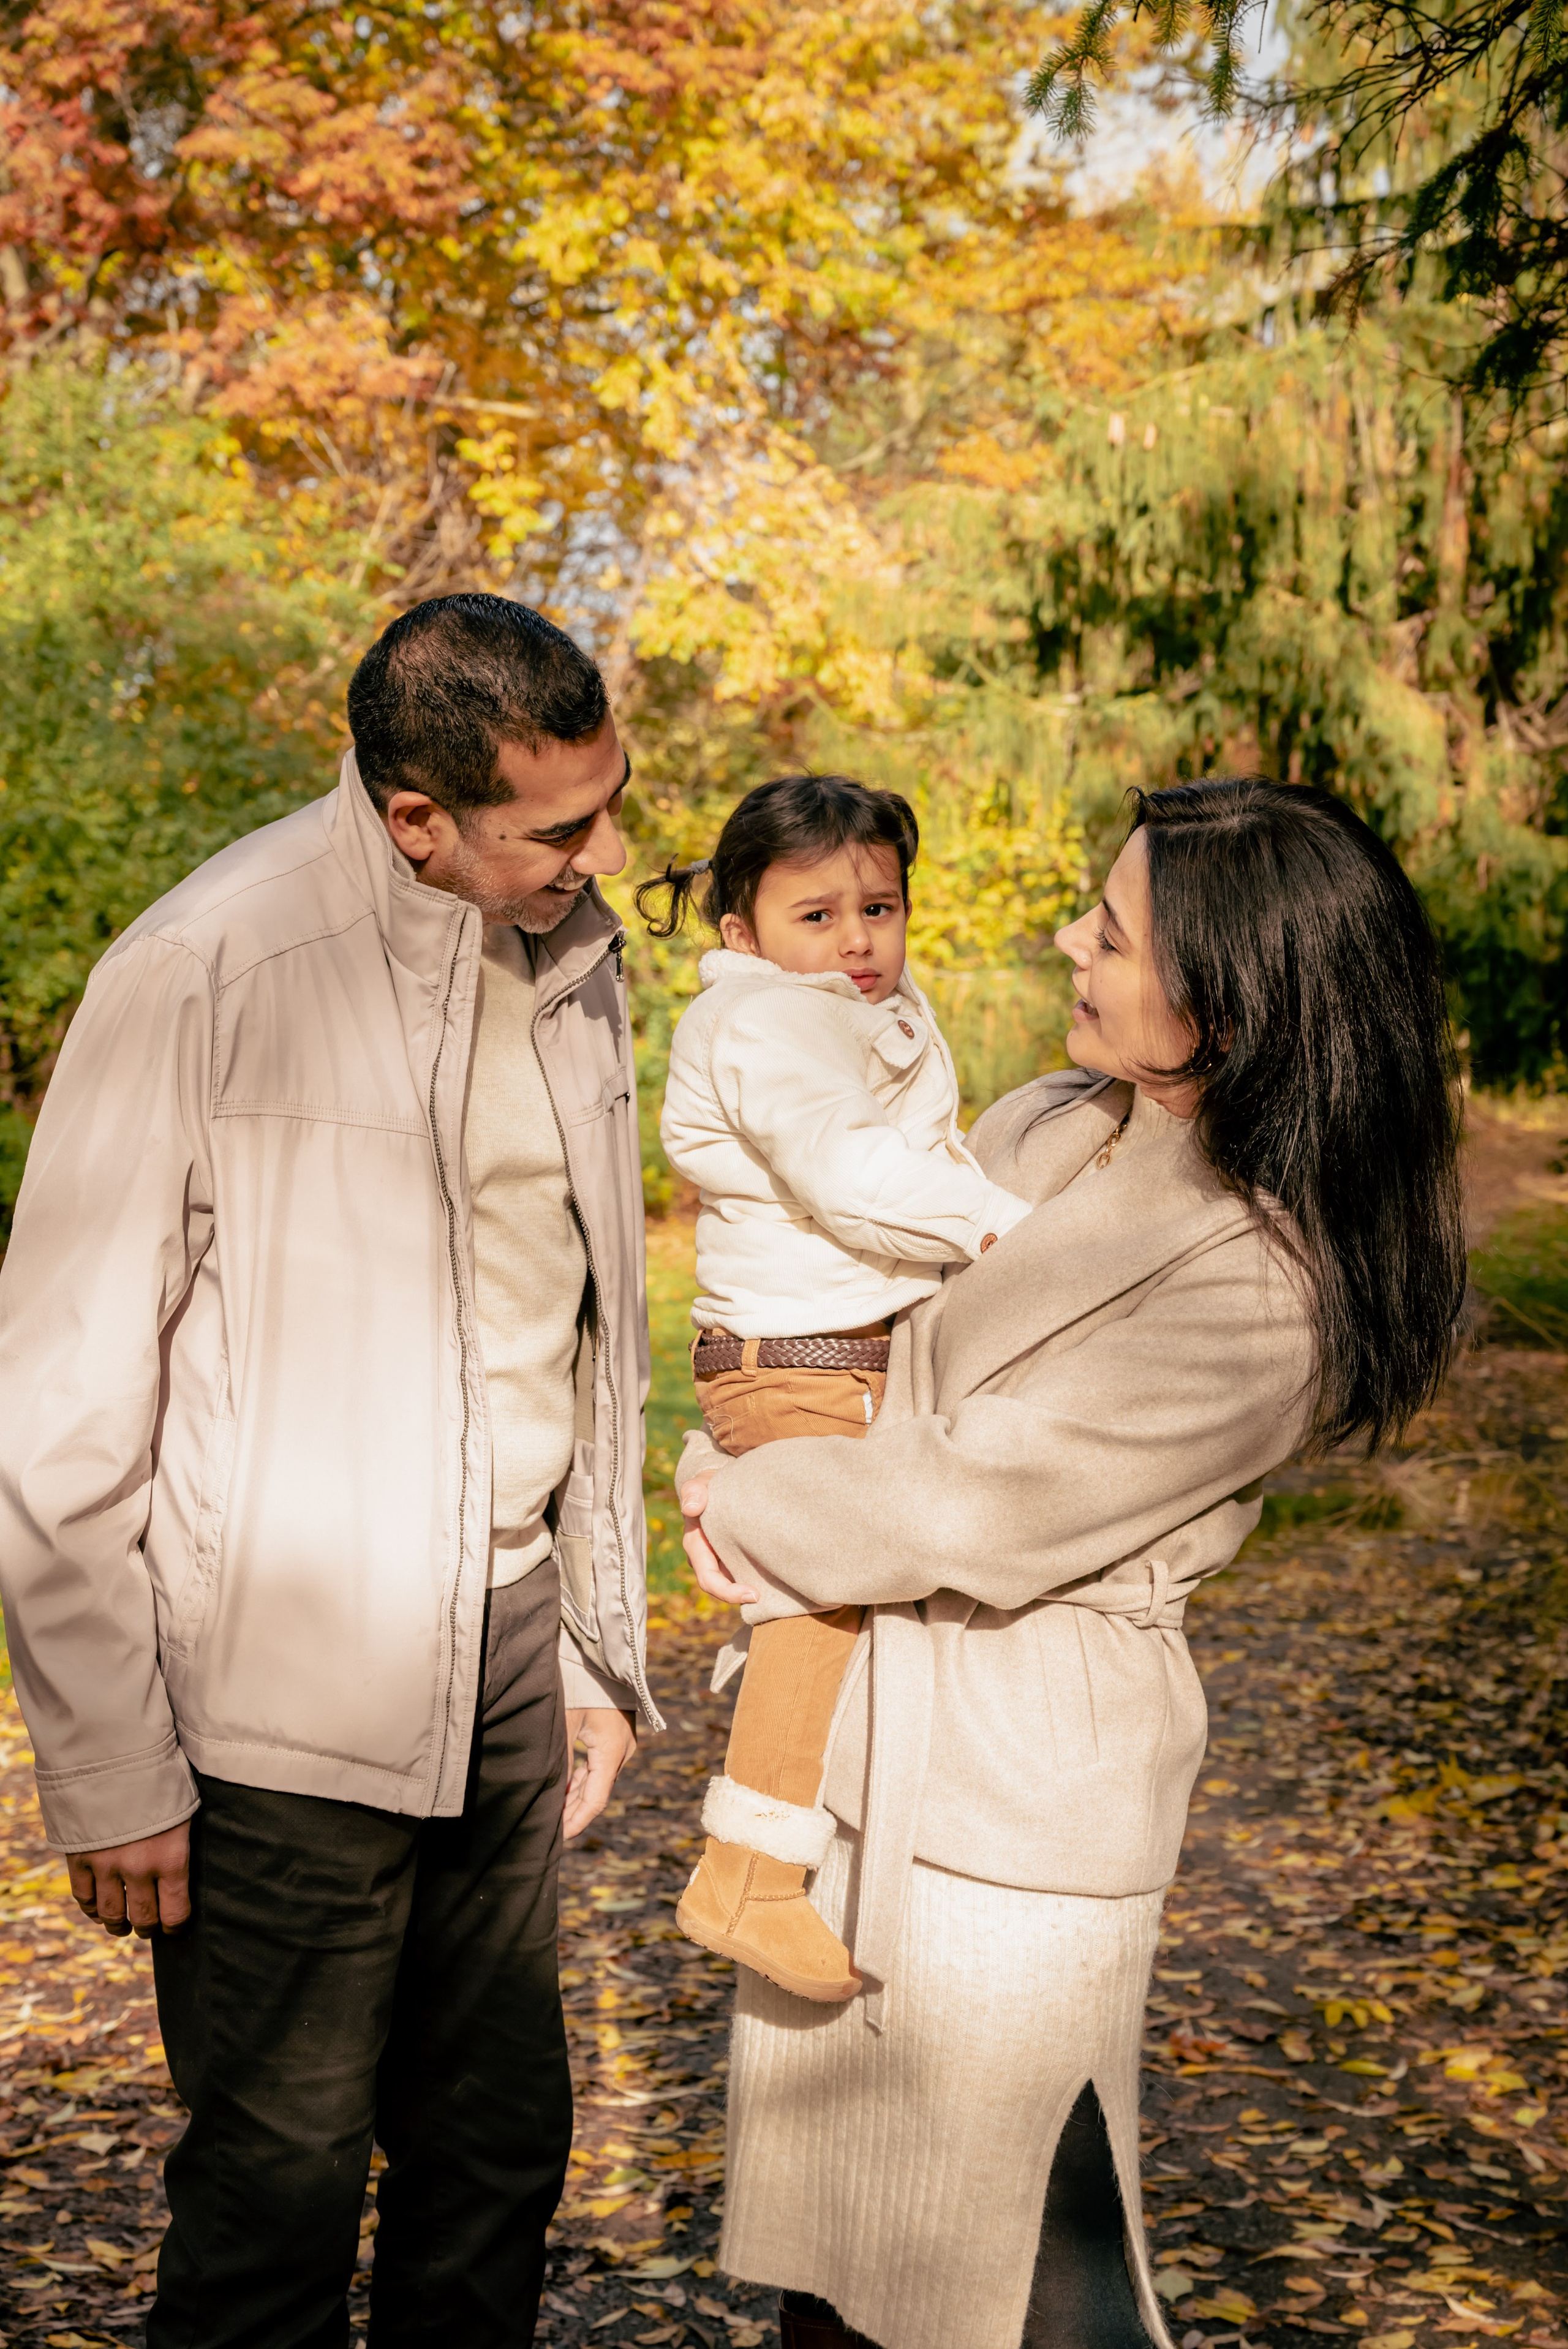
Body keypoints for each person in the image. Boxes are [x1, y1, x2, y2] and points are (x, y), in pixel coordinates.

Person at [679, 777, 1467, 2349]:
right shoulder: (1051, 1120)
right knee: (835, 2275)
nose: (1066, 939)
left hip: (1019, 1787)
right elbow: (876, 1340)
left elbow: (970, 1505)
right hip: (870, 1734)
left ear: (1228, 1005)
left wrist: (734, 1490)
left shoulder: (1263, 1279)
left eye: (1108, 933)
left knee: (1025, 2261)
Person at [0, 593, 657, 2349]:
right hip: (276, 1696)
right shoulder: (207, 961)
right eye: (563, 825)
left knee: (501, 2150)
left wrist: (595, 1643)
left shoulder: (580, 949)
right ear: (414, 817)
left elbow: (584, 1319)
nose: (608, 855)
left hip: (514, 1652)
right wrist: (107, 1752)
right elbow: (60, 1386)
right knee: (277, 2192)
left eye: (610, 803)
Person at [638, 776, 1028, 2004]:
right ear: (742, 937)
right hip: (793, 1359)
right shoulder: (765, 1024)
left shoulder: (867, 1008)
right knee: (822, 1596)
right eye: (816, 915)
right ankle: (746, 1872)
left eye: (879, 905)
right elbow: (853, 1172)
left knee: (871, 1587)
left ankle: (849, 1833)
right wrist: (1009, 1232)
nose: (856, 938)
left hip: (841, 1348)